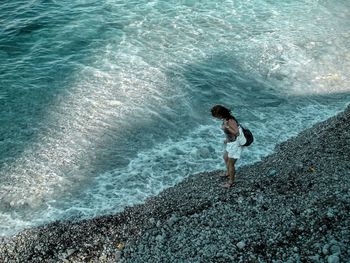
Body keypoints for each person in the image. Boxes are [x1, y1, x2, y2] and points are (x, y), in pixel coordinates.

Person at [211, 105, 247, 188]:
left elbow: (237, 133)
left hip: (235, 144)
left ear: (221, 114)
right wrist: (227, 139)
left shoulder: (230, 120)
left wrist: (227, 126)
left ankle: (231, 182)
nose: (216, 117)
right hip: (230, 142)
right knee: (225, 157)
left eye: (216, 115)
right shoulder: (225, 119)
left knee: (231, 164)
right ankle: (228, 173)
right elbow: (229, 133)